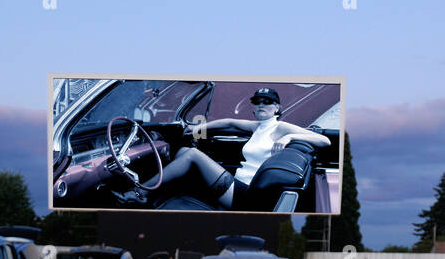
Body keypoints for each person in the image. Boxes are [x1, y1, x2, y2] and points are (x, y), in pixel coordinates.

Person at [133, 87, 331, 210]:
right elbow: (229, 123)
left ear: (277, 108)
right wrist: (197, 128)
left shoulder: (280, 127)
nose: (262, 105)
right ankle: (161, 194)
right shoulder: (258, 127)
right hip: (237, 184)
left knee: (192, 154)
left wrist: (290, 136)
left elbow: (324, 141)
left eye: (267, 102)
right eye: (258, 102)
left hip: (245, 196)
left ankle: (142, 191)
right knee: (185, 151)